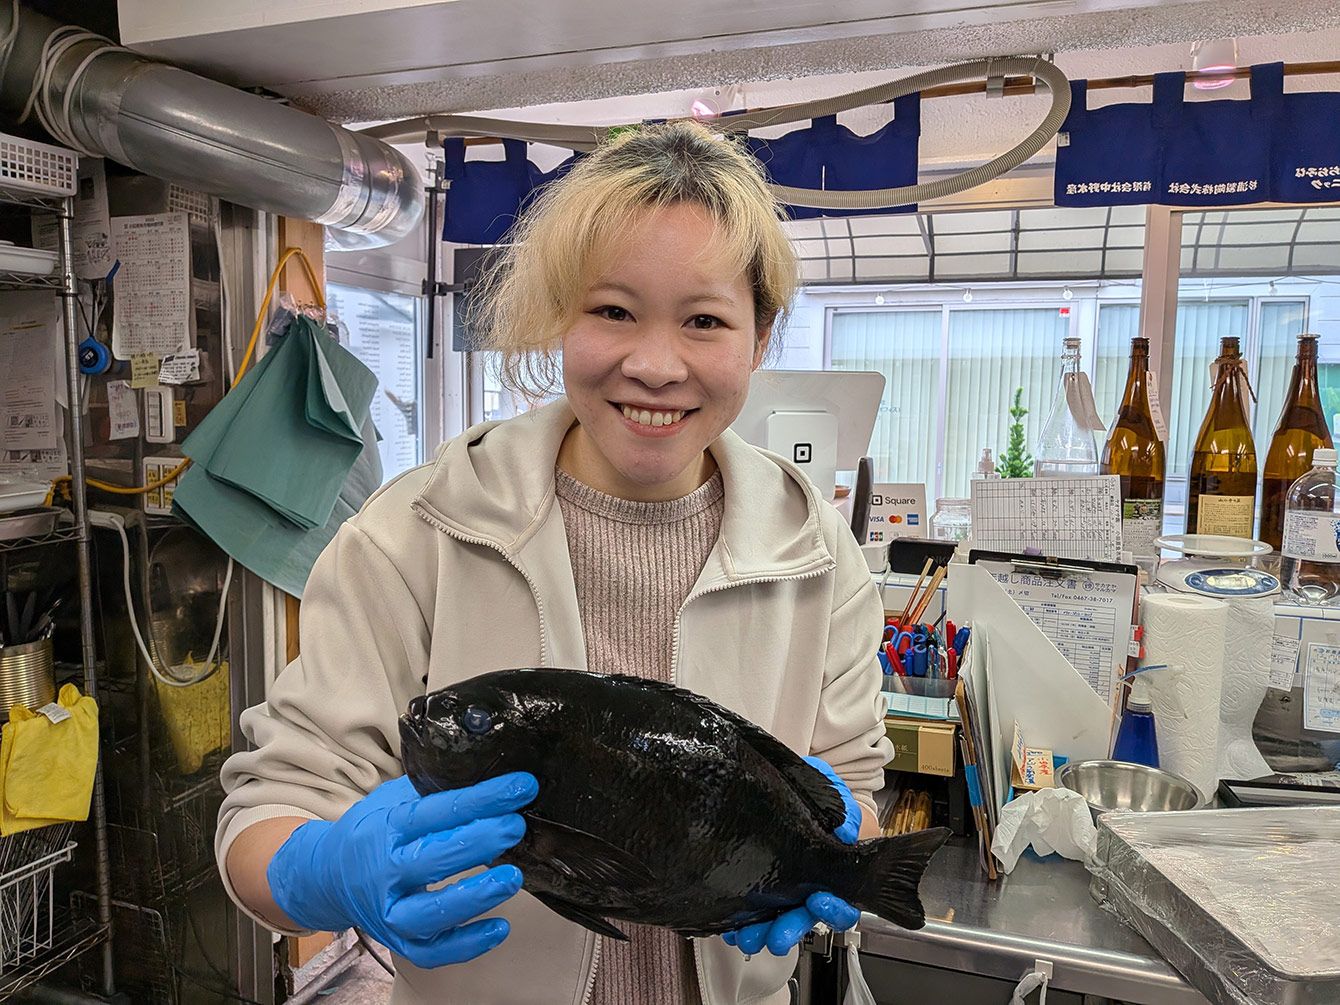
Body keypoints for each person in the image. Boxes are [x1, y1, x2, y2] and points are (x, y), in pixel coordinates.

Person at [217, 119, 894, 1005]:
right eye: (613, 311)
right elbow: (264, 812)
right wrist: (324, 869)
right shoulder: (413, 535)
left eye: (704, 320)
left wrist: (833, 850)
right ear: (559, 315)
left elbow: (856, 787)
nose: (655, 365)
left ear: (759, 337)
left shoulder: (817, 552)